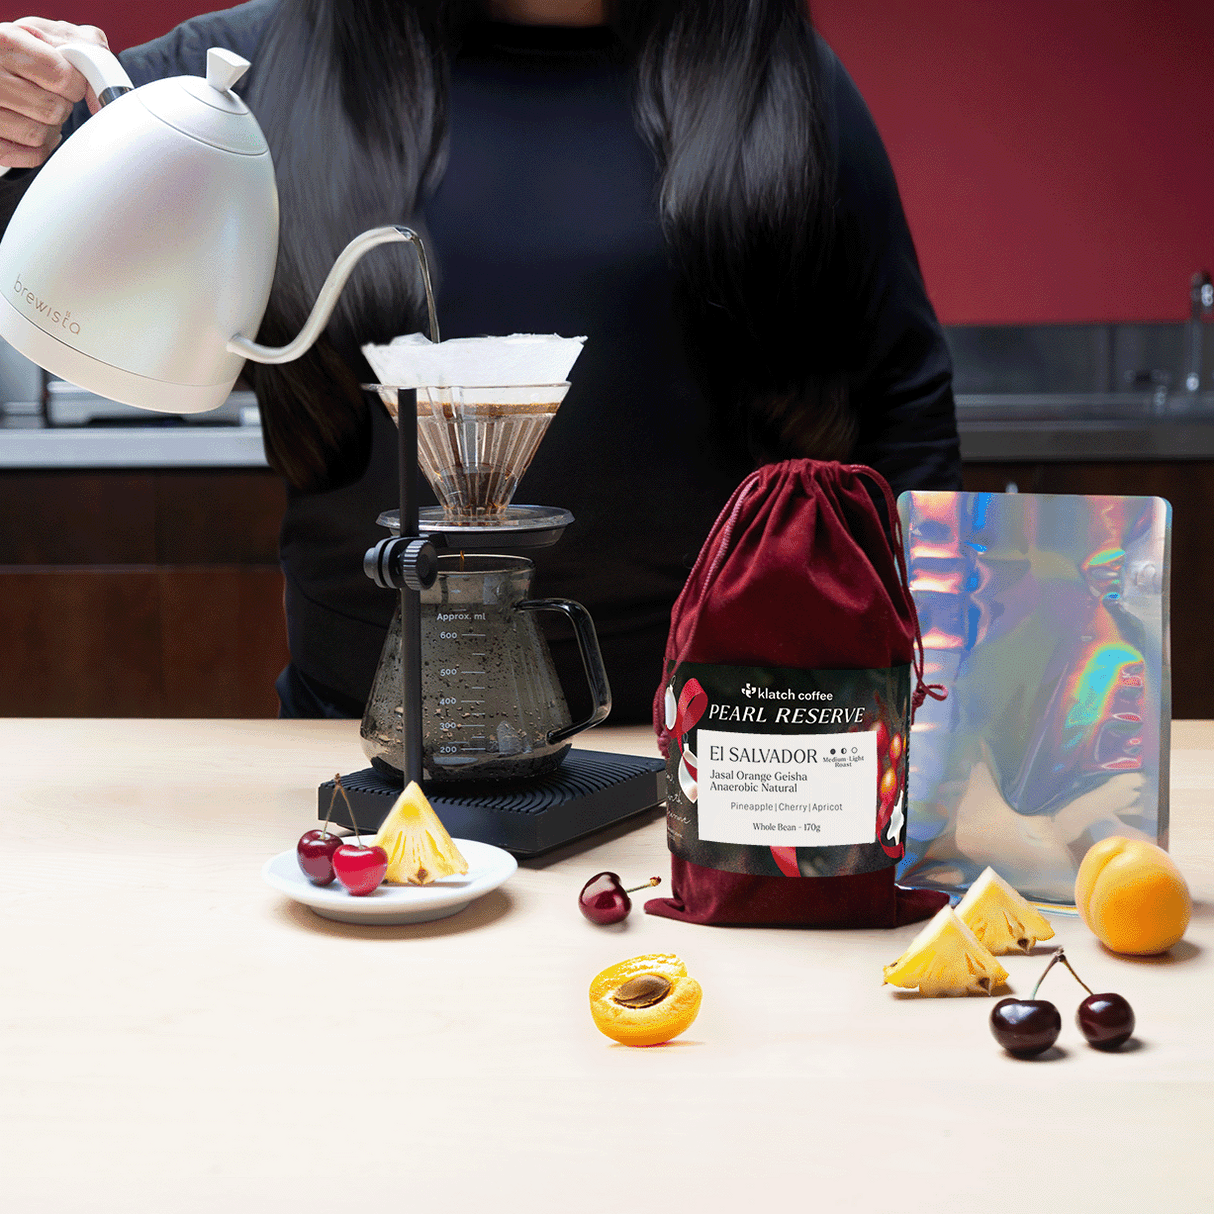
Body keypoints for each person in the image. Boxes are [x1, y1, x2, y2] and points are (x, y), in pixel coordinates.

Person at [0, 0, 961, 724]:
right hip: (351, 742)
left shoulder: (777, 75)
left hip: (723, 747)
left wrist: (930, 707)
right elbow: (44, 197)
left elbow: (902, 408)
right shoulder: (271, 61)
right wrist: (18, 112)